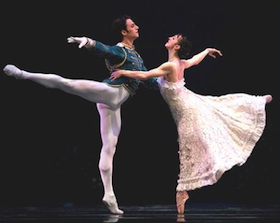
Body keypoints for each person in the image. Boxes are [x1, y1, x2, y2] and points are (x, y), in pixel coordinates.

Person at [3, 15, 158, 215]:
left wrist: (171, 86)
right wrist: (88, 42)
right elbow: (105, 50)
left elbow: (149, 80)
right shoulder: (120, 51)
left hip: (114, 103)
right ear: (123, 31)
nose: (137, 27)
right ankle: (22, 74)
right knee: (67, 84)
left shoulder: (136, 56)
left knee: (109, 148)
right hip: (110, 92)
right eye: (132, 25)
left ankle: (109, 195)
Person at [110, 34, 273, 215]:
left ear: (177, 46)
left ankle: (183, 190)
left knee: (199, 137)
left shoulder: (171, 65)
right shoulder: (179, 64)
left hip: (188, 110)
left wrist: (122, 72)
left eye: (173, 38)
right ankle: (184, 190)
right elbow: (195, 61)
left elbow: (144, 75)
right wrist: (207, 50)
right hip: (189, 104)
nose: (169, 38)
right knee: (217, 112)